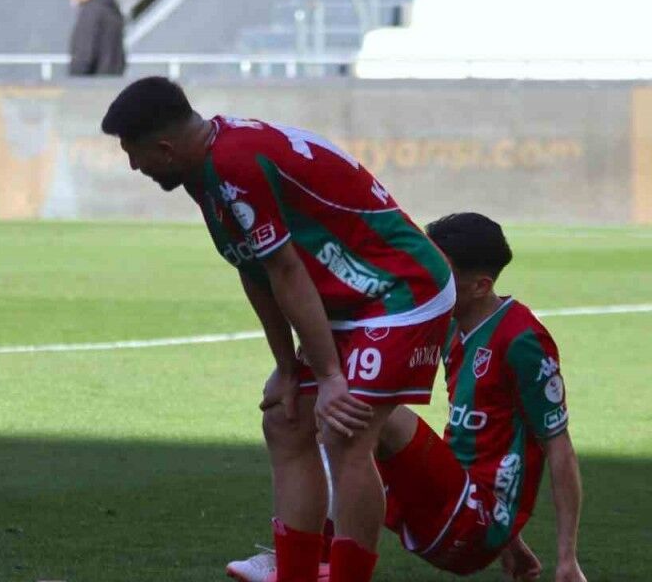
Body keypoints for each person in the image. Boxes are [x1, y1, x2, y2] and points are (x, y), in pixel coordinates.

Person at [101, 77, 454, 582]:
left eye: (132, 153)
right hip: (347, 298)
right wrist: (287, 368)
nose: (134, 167)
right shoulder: (205, 168)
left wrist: (329, 376)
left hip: (400, 290)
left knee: (346, 431)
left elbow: (286, 270)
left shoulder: (235, 165)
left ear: (165, 147)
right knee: (285, 422)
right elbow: (254, 269)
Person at [226, 214, 587, 582]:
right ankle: (307, 562)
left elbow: (559, 447)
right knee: (336, 414)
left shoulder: (522, 340)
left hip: (475, 519)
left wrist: (566, 559)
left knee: (358, 409)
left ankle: (306, 561)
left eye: (440, 269)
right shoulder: (450, 323)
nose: (426, 274)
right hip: (448, 506)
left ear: (481, 286)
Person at [66, 0, 125, 76]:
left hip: (91, 83)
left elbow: (83, 55)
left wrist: (74, 81)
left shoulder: (91, 13)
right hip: (113, 81)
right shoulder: (112, 11)